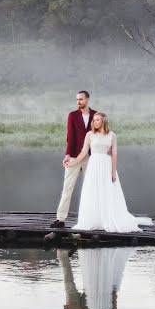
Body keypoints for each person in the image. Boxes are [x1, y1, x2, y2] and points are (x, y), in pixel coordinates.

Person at [65, 112, 153, 233]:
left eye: (97, 120)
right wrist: (72, 163)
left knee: (108, 191)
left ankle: (109, 218)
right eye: (93, 120)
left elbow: (114, 154)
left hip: (106, 165)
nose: (94, 122)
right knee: (92, 191)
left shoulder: (112, 135)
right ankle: (94, 220)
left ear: (103, 121)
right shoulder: (89, 134)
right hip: (94, 165)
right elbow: (83, 152)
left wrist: (113, 172)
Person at [52, 90, 97, 229]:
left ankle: (93, 218)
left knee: (91, 189)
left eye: (81, 99)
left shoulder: (96, 115)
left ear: (88, 99)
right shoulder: (72, 115)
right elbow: (70, 137)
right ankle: (60, 219)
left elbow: (99, 135)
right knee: (67, 188)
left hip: (90, 157)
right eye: (77, 100)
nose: (78, 102)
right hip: (74, 157)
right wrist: (67, 155)